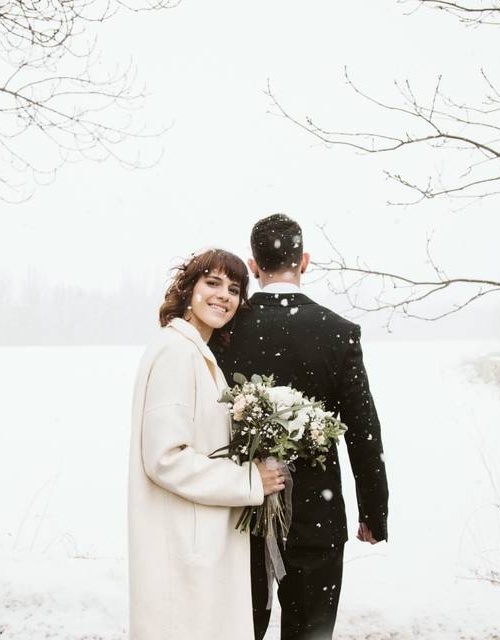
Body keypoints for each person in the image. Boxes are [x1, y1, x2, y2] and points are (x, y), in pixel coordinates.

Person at [213, 214, 389, 640]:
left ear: (254, 266)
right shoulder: (338, 333)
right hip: (316, 517)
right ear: (304, 261)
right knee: (310, 634)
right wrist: (373, 511)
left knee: (237, 631)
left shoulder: (225, 330)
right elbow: (363, 429)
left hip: (239, 515)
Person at [128, 248, 287, 640]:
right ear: (188, 289)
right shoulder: (176, 353)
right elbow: (165, 458)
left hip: (198, 543)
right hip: (183, 549)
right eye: (212, 283)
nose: (224, 296)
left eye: (234, 289)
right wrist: (249, 481)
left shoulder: (196, 353)